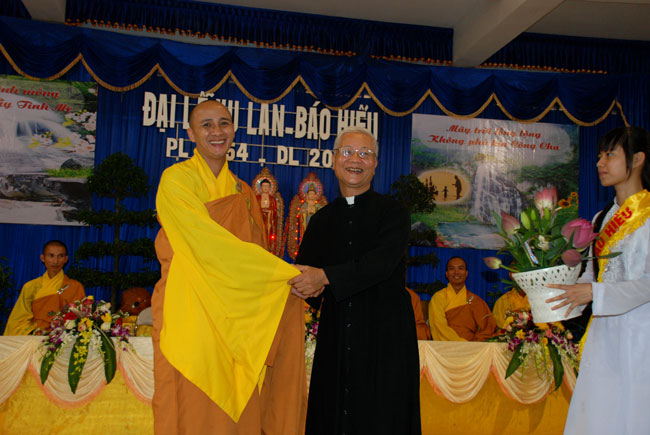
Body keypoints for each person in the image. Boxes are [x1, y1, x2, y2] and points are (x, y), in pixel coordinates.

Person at [152, 100, 306, 434]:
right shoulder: (176, 180)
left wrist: (280, 282)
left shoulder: (243, 191)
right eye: (206, 125)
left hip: (236, 318)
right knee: (192, 407)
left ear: (234, 130)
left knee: (239, 409)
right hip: (190, 309)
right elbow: (206, 244)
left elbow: (255, 251)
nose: (217, 132)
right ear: (191, 133)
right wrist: (282, 273)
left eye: (224, 123)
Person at [288, 126, 421, 434]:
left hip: (384, 337)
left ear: (375, 164)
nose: (355, 160)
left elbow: (380, 264)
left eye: (365, 153)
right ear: (334, 160)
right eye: (347, 152)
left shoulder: (394, 213)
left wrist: (325, 276)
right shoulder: (321, 220)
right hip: (337, 337)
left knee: (383, 416)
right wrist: (301, 285)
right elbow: (307, 277)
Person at [547, 126, 650, 435]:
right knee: (599, 416)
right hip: (603, 336)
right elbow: (592, 275)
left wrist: (594, 292)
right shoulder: (600, 219)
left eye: (609, 155)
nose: (600, 163)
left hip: (641, 336)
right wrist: (557, 294)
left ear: (638, 159)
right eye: (599, 156)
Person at [4, 240, 85, 335]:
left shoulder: (75, 286)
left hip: (63, 336)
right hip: (35, 335)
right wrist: (33, 333)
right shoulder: (30, 286)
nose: (55, 261)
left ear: (65, 259)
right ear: (43, 258)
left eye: (60, 256)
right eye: (51, 255)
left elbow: (81, 317)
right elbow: (19, 319)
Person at [428, 257, 496, 341]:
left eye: (460, 268)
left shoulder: (475, 300)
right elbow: (439, 327)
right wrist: (462, 343)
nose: (456, 272)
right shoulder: (438, 297)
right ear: (447, 274)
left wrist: (475, 344)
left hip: (472, 346)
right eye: (452, 268)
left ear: (466, 273)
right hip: (446, 346)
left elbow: (488, 328)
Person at [256, 178, 279, 254]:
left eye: (267, 186)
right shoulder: (257, 198)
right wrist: (261, 212)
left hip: (269, 220)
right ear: (261, 187)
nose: (265, 188)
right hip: (259, 219)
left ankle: (268, 247)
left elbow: (275, 211)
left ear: (269, 188)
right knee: (259, 232)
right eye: (264, 186)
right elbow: (254, 209)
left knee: (268, 233)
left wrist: (270, 212)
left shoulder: (272, 199)